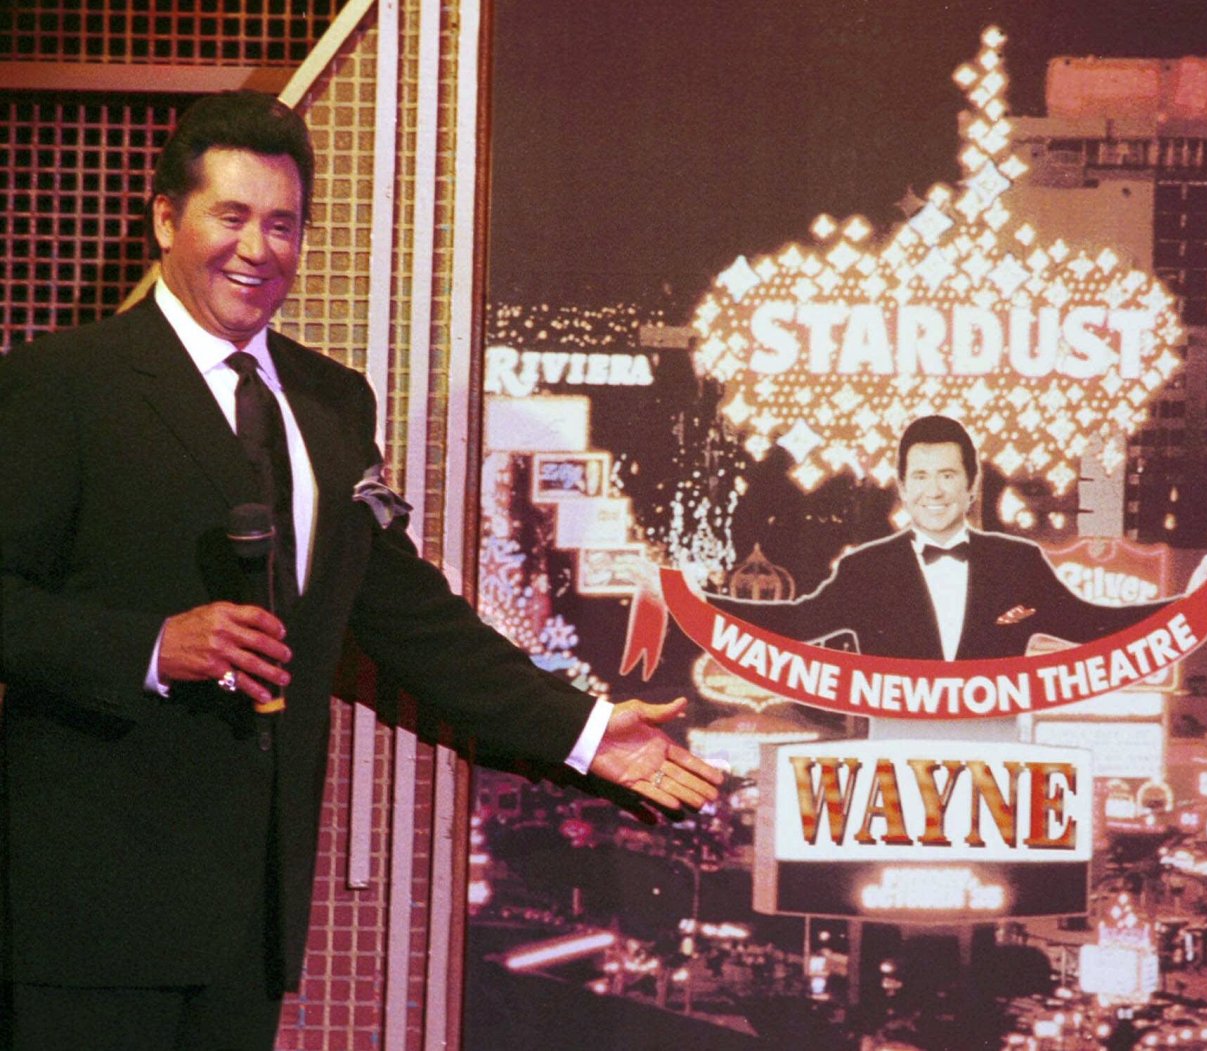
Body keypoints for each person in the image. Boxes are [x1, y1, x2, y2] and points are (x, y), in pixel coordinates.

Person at [0, 91, 722, 1051]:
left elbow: (407, 616)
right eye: (231, 215)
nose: (257, 248)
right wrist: (151, 646)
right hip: (85, 912)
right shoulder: (62, 384)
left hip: (248, 920)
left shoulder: (331, 402)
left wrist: (585, 731)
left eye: (283, 224)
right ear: (167, 219)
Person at [711, 414, 1207, 661]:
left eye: (947, 475)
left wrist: (1193, 608)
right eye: (920, 477)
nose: (934, 491)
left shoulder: (1017, 562)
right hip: (890, 762)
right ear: (902, 487)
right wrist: (692, 604)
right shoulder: (866, 569)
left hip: (998, 769)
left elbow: (1093, 626)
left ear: (971, 484)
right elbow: (796, 623)